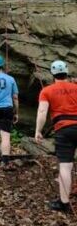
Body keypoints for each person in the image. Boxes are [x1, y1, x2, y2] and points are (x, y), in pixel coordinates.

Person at [35, 60, 77, 213]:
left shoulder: (47, 91)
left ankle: (64, 203)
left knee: (66, 166)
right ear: (67, 72)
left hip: (64, 129)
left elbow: (42, 112)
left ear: (52, 74)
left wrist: (38, 131)